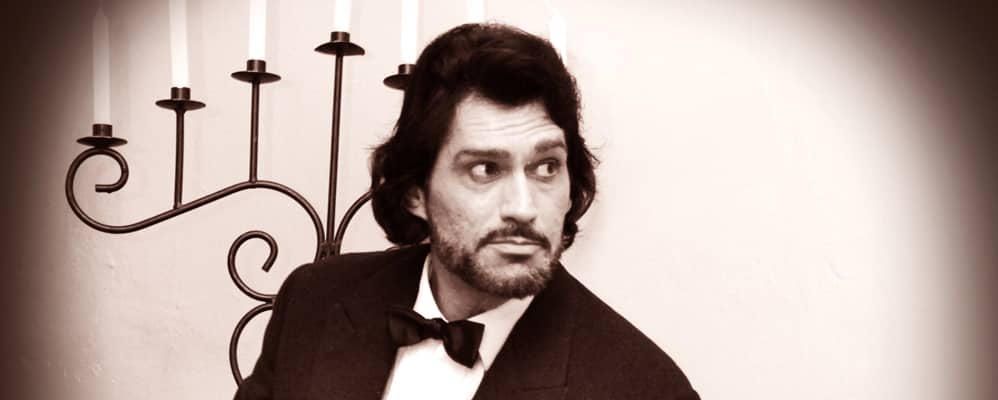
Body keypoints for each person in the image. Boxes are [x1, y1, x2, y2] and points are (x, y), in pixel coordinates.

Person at [235, 23, 699, 400]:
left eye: (546, 167)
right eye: (485, 169)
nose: (523, 208)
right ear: (415, 192)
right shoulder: (313, 300)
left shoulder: (647, 389)